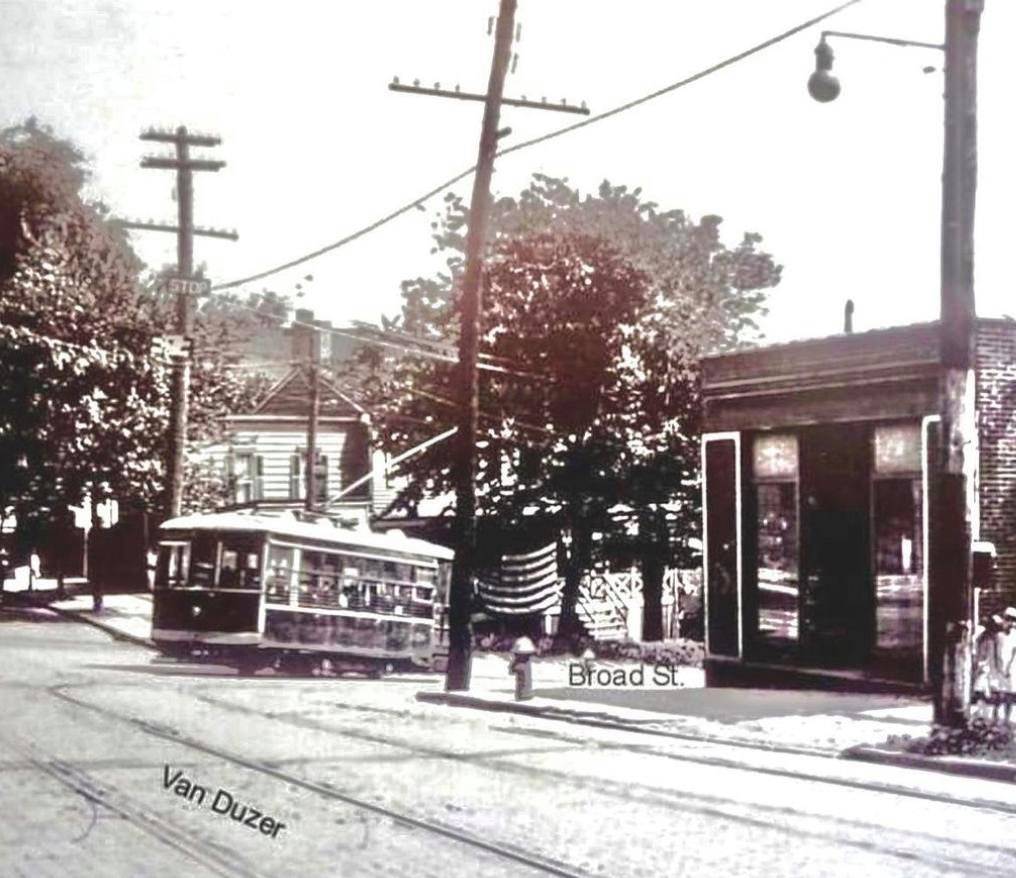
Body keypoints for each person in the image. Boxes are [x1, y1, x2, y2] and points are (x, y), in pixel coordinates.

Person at [973, 614, 1005, 720]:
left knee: (994, 692)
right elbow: (979, 653)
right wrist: (978, 664)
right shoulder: (982, 638)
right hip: (985, 667)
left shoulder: (997, 638)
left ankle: (993, 715)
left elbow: (999, 655)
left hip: (993, 668)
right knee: (982, 692)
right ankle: (983, 715)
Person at [1000, 607, 1016, 723]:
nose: (1010, 622)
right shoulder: (998, 636)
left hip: (1011, 670)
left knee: (1010, 696)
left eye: (1013, 620)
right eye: (1008, 619)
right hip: (998, 669)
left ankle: (1008, 720)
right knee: (998, 697)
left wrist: (1009, 668)